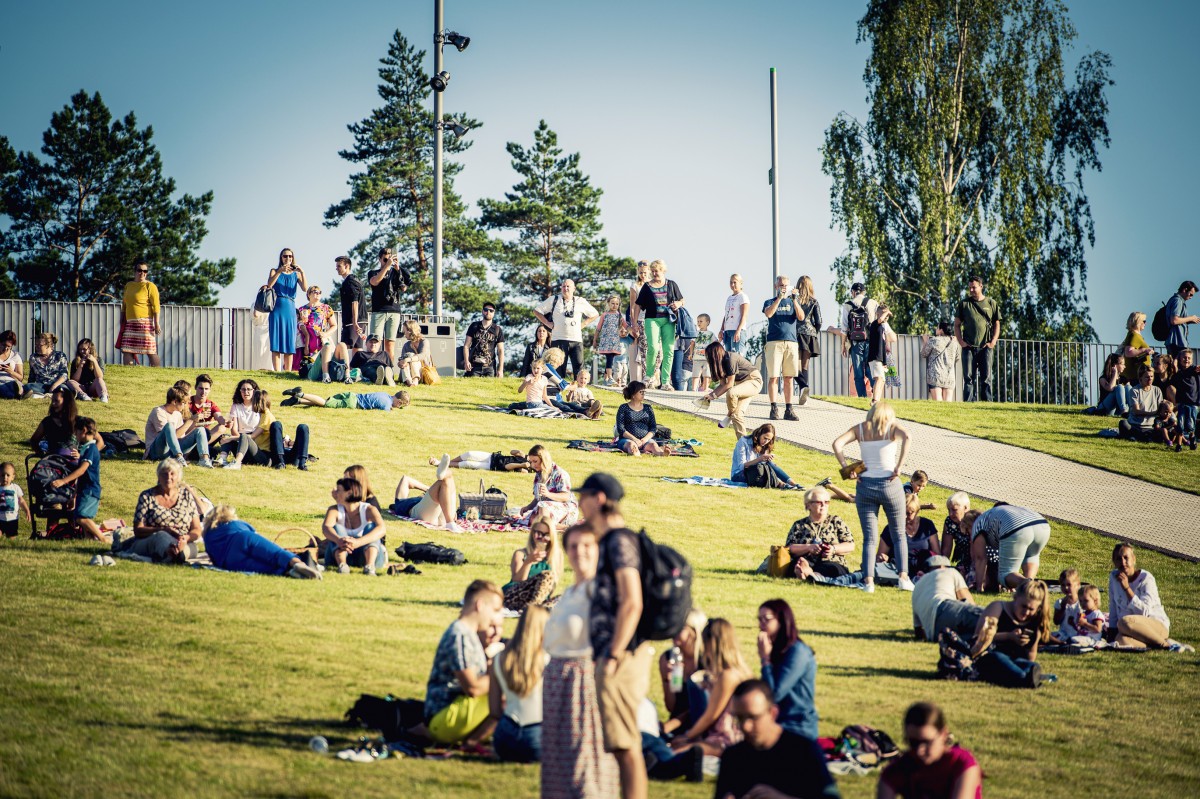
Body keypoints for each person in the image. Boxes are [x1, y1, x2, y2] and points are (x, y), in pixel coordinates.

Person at [581, 473, 651, 799]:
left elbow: (632, 602)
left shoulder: (619, 541)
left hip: (621, 657)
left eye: (583, 498)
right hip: (615, 654)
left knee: (625, 747)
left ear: (598, 499)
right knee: (621, 745)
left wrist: (612, 655)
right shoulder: (611, 540)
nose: (579, 505)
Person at [541, 521, 620, 797]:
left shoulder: (600, 590)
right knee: (557, 758)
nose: (580, 552)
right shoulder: (570, 592)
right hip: (556, 682)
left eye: (587, 545)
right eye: (573, 546)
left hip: (582, 681)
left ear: (599, 549)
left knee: (582, 756)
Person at [832, 401, 913, 593]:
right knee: (898, 534)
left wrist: (846, 467)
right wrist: (899, 466)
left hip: (865, 485)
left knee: (870, 538)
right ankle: (903, 578)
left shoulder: (861, 429)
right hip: (890, 484)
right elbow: (908, 436)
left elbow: (837, 444)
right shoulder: (892, 428)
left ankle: (868, 582)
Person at [714, 680, 840, 799]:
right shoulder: (733, 757)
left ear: (773, 713)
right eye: (739, 718)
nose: (746, 726)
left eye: (753, 717)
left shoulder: (804, 752)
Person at [421, 579, 505, 745]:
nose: (496, 616)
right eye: (495, 610)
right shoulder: (459, 635)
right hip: (444, 717)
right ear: (480, 605)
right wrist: (502, 673)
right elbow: (473, 688)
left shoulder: (469, 634)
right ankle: (472, 743)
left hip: (455, 712)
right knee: (512, 692)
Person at [669, 619, 751, 758]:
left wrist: (687, 736)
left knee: (673, 754)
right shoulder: (737, 672)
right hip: (723, 736)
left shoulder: (728, 676)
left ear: (711, 644)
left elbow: (710, 716)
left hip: (726, 740)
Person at [877, 702, 983, 799]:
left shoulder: (960, 763)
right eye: (913, 743)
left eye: (926, 742)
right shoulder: (899, 768)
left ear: (943, 734)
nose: (919, 750)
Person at [490, 604, 551, 763]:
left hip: (504, 736)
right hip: (536, 735)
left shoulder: (499, 658)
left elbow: (494, 711)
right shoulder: (549, 661)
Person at [116, 458, 203, 563]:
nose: (168, 477)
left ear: (178, 477)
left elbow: (197, 529)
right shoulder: (147, 496)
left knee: (192, 548)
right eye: (164, 474)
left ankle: (175, 553)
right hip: (151, 538)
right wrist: (163, 530)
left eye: (172, 474)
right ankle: (170, 554)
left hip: (182, 541)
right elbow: (138, 530)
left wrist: (186, 538)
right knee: (161, 537)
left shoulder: (186, 496)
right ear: (158, 476)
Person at [968, 579, 1053, 688]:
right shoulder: (998, 607)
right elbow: (978, 637)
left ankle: (1025, 677)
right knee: (999, 658)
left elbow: (1031, 655)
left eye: (1031, 609)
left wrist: (1028, 642)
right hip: (989, 655)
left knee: (1032, 666)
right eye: (1023, 606)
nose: (1026, 612)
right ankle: (1025, 679)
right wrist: (1008, 636)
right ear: (1015, 597)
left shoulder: (1034, 621)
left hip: (1014, 660)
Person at [199, 505, 321, 578]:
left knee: (262, 568)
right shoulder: (235, 524)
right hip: (243, 538)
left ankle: (287, 572)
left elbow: (214, 559)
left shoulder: (208, 536)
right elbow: (255, 535)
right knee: (275, 554)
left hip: (230, 559)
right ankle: (298, 564)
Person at [1108, 542, 1189, 651]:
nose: (1123, 562)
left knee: (1124, 622)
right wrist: (1111, 633)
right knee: (1119, 640)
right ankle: (1158, 643)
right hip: (1130, 628)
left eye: (1126, 558)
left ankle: (1165, 645)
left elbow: (1144, 612)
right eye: (1118, 559)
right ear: (1114, 562)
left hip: (1155, 624)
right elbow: (1113, 607)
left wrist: (1127, 588)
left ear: (1133, 559)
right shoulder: (1114, 577)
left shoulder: (1146, 578)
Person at [756, 600, 818, 740]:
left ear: (782, 621)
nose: (761, 624)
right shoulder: (776, 649)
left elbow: (774, 694)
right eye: (759, 619)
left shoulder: (797, 652)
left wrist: (765, 660)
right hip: (777, 724)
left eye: (766, 619)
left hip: (798, 728)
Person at [964, 503, 1051, 590]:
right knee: (1030, 557)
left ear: (969, 527)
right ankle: (1028, 589)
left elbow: (980, 558)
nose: (969, 536)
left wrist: (979, 587)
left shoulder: (978, 524)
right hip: (1042, 525)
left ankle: (1030, 585)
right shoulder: (991, 516)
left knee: (1005, 573)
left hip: (1016, 526)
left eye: (967, 532)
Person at [784, 487, 858, 586]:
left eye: (826, 502)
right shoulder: (799, 524)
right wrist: (808, 548)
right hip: (807, 560)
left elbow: (850, 545)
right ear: (808, 505)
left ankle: (809, 574)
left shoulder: (836, 521)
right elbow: (789, 548)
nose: (823, 505)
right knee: (796, 563)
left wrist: (833, 549)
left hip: (831, 561)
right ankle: (809, 572)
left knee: (832, 568)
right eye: (819, 502)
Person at [48, 416, 106, 542]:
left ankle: (103, 539)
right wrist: (74, 494)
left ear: (83, 430)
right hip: (84, 490)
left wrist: (63, 481)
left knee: (81, 518)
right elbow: (82, 476)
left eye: (77, 431)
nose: (75, 435)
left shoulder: (91, 449)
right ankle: (89, 542)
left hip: (90, 490)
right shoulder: (86, 448)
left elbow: (82, 470)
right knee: (83, 523)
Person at [633, 260, 685, 391]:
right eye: (653, 271)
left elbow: (682, 300)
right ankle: (648, 376)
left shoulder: (671, 284)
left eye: (657, 271)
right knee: (653, 348)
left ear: (663, 271)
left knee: (669, 350)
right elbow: (638, 305)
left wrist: (678, 304)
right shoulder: (647, 286)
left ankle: (665, 382)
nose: (654, 273)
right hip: (652, 320)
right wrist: (634, 323)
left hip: (669, 320)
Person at [320, 477, 387, 575]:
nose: (335, 493)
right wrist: (339, 540)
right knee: (337, 528)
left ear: (349, 493)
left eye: (338, 490)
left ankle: (370, 566)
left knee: (371, 527)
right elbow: (326, 528)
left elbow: (382, 529)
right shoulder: (334, 510)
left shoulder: (369, 509)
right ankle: (342, 565)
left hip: (364, 555)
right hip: (338, 556)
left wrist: (358, 542)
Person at [535, 279, 600, 379]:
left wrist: (584, 324)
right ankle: (557, 388)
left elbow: (595, 314)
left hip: (576, 340)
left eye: (568, 286)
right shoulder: (554, 299)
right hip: (558, 339)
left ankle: (579, 388)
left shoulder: (580, 301)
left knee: (579, 369)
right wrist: (547, 323)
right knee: (557, 369)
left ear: (574, 288)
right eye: (564, 286)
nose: (566, 288)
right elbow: (537, 311)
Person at [954, 275, 1002, 402]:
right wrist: (961, 342)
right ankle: (968, 404)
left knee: (986, 378)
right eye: (969, 288)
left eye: (974, 287)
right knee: (968, 378)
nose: (971, 290)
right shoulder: (964, 304)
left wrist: (993, 342)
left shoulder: (991, 303)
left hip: (985, 347)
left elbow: (997, 324)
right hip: (968, 347)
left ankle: (987, 404)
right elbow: (956, 325)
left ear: (981, 286)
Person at [658, 608, 708, 731]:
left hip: (704, 725)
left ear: (694, 632)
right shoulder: (668, 658)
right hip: (678, 728)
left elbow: (705, 707)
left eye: (679, 627)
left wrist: (669, 726)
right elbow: (672, 707)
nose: (672, 631)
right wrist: (667, 679)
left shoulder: (707, 660)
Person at [702, 341, 764, 438]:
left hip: (753, 380)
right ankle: (743, 442)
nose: (707, 359)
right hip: (741, 385)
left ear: (714, 355)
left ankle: (728, 415)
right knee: (737, 415)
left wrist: (713, 396)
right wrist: (710, 395)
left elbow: (729, 384)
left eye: (708, 356)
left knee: (731, 393)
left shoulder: (730, 358)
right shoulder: (720, 364)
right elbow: (722, 385)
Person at [503, 513, 563, 611]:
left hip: (538, 599)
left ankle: (534, 608)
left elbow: (551, 588)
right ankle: (532, 610)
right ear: (532, 534)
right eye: (539, 534)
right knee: (547, 576)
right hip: (514, 596)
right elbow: (517, 582)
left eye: (547, 535)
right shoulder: (521, 554)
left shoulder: (556, 555)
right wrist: (528, 562)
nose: (542, 538)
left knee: (565, 598)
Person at [911, 555, 979, 642]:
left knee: (973, 636)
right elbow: (969, 602)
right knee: (988, 617)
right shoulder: (950, 572)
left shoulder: (917, 587)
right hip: (945, 607)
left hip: (934, 634)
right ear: (942, 566)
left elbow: (918, 631)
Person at [389, 455, 464, 532]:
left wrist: (429, 490)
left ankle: (443, 474)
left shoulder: (401, 503)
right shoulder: (399, 502)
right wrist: (428, 489)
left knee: (447, 479)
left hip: (439, 514)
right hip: (428, 515)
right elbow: (406, 479)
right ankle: (450, 522)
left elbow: (406, 480)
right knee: (444, 481)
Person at [762, 275, 801, 420]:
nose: (783, 288)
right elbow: (769, 313)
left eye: (786, 285)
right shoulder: (769, 302)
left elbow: (801, 317)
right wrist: (779, 298)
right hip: (774, 342)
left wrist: (795, 300)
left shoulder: (793, 302)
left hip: (791, 342)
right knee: (774, 377)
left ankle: (789, 409)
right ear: (776, 286)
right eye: (781, 285)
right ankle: (773, 408)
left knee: (789, 377)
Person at [144, 387, 212, 468]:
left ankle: (204, 459)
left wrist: (194, 422)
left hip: (171, 451)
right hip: (156, 452)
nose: (185, 405)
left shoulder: (177, 414)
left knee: (200, 429)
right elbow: (168, 437)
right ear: (175, 402)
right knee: (169, 426)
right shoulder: (158, 411)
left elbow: (180, 436)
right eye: (183, 403)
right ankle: (179, 457)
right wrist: (190, 420)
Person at [265, 247, 306, 372]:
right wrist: (279, 271)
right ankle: (277, 371)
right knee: (276, 341)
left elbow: (305, 288)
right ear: (281, 258)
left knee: (289, 341)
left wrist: (302, 272)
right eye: (285, 256)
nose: (288, 258)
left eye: (290, 256)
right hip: (277, 307)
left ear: (293, 258)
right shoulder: (274, 271)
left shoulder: (296, 274)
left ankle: (287, 371)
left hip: (290, 308)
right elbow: (269, 285)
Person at [518, 444, 579, 527]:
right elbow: (538, 498)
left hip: (567, 509)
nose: (532, 465)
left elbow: (566, 497)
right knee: (531, 519)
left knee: (543, 508)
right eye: (531, 462)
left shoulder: (560, 473)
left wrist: (548, 494)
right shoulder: (539, 474)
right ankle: (553, 526)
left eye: (535, 461)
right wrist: (528, 507)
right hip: (547, 508)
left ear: (543, 459)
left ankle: (561, 527)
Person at [881, 493, 941, 576]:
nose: (905, 517)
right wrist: (883, 558)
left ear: (917, 511)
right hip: (897, 569)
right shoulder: (891, 528)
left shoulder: (927, 526)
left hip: (922, 570)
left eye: (909, 513)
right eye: (903, 513)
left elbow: (937, 554)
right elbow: (881, 554)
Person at [367, 247, 410, 361]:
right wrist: (387, 266)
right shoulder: (373, 272)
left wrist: (398, 269)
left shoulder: (396, 273)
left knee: (390, 343)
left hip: (394, 310)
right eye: (385, 260)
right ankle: (374, 367)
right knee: (375, 342)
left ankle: (389, 368)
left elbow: (404, 288)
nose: (388, 262)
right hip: (379, 311)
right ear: (379, 259)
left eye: (389, 260)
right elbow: (375, 282)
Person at [117, 261, 162, 367]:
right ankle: (129, 371)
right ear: (135, 271)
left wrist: (156, 323)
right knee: (127, 349)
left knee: (150, 350)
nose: (142, 273)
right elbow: (124, 305)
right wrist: (122, 319)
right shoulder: (129, 285)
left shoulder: (150, 286)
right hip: (130, 323)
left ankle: (157, 371)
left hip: (145, 322)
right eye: (140, 270)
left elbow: (156, 306)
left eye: (145, 271)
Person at [839, 281, 879, 399]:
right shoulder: (873, 303)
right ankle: (876, 395)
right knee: (870, 370)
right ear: (864, 292)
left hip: (855, 343)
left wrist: (843, 345)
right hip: (870, 341)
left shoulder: (847, 305)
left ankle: (862, 398)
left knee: (858, 372)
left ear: (852, 292)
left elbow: (844, 328)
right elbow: (878, 323)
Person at [732, 423, 802, 489]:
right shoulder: (743, 441)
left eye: (769, 440)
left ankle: (792, 483)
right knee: (763, 467)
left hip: (757, 472)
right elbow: (742, 466)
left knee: (769, 463)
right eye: (765, 438)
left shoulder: (766, 445)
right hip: (739, 475)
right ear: (759, 434)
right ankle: (782, 484)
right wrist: (760, 459)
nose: (766, 441)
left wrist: (767, 459)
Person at [216, 380, 263, 470]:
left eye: (249, 389)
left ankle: (237, 463)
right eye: (243, 390)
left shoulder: (259, 406)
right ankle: (223, 458)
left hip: (254, 442)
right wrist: (236, 438)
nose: (246, 392)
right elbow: (234, 429)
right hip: (239, 438)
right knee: (225, 437)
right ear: (240, 391)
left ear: (254, 391)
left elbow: (257, 434)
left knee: (240, 437)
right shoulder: (236, 406)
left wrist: (235, 438)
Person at [615, 381, 671, 457]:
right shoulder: (623, 408)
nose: (643, 394)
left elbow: (653, 428)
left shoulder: (648, 408)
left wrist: (645, 439)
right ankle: (635, 453)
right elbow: (621, 429)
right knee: (631, 445)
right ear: (633, 394)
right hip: (627, 439)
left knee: (653, 446)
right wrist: (634, 439)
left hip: (646, 439)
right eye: (641, 392)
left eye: (644, 392)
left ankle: (662, 453)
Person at [793, 275, 822, 406]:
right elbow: (819, 321)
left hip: (796, 333)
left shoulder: (794, 300)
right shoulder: (814, 301)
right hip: (810, 335)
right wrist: (814, 331)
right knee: (805, 366)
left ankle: (803, 386)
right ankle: (803, 393)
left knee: (794, 366)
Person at [279, 385, 409, 411]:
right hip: (353, 403)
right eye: (400, 405)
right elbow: (385, 411)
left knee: (326, 402)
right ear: (398, 401)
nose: (398, 407)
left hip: (352, 395)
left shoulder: (385, 394)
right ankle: (300, 394)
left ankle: (297, 401)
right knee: (325, 403)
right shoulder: (387, 404)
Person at [1117, 365, 1162, 442]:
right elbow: (1136, 411)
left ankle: (1138, 437)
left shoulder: (1157, 390)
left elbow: (1161, 408)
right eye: (1147, 377)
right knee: (1123, 423)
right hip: (1135, 425)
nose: (1150, 379)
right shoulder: (1134, 390)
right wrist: (1153, 413)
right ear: (1140, 378)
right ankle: (1140, 436)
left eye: (1151, 376)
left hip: (1151, 426)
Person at [334, 255, 368, 356]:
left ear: (347, 266)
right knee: (357, 348)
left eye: (339, 266)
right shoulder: (351, 280)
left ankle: (345, 366)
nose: (336, 268)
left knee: (343, 347)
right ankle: (357, 366)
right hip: (359, 320)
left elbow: (355, 302)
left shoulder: (350, 281)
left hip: (353, 322)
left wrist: (354, 322)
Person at [30, 388, 79, 455]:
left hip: (71, 460)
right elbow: (34, 441)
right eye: (52, 400)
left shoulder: (78, 421)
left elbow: (92, 442)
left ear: (66, 402)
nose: (53, 403)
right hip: (53, 459)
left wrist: (80, 455)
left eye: (56, 401)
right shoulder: (47, 422)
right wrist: (41, 454)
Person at [1167, 347, 1199, 450]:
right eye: (1184, 358)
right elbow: (1174, 365)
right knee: (1180, 424)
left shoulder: (1194, 370)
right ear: (1180, 359)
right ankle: (1179, 444)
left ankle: (1192, 438)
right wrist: (1176, 358)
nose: (1186, 360)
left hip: (1193, 402)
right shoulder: (1179, 373)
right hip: (1181, 402)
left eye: (1189, 358)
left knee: (1190, 424)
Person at [296, 285, 335, 368]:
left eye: (319, 292)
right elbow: (298, 324)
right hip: (305, 340)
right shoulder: (301, 309)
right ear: (308, 294)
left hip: (320, 340)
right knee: (305, 365)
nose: (318, 293)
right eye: (315, 291)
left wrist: (326, 334)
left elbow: (334, 325)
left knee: (320, 362)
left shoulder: (326, 308)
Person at [463, 302, 505, 377]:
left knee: (490, 385)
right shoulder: (474, 326)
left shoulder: (497, 329)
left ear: (494, 313)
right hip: (474, 366)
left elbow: (500, 350)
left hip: (490, 367)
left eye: (491, 310)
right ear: (482, 311)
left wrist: (500, 369)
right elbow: (466, 346)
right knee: (473, 384)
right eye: (486, 310)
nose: (488, 312)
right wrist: (466, 361)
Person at [921, 321, 960, 402]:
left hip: (935, 375)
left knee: (938, 403)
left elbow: (924, 354)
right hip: (949, 376)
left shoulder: (934, 340)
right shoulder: (954, 342)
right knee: (948, 403)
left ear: (941, 330)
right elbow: (957, 358)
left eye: (937, 328)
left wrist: (925, 341)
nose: (936, 329)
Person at [22, 332, 69, 399]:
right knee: (27, 387)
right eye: (36, 345)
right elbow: (32, 376)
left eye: (40, 345)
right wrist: (28, 387)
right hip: (41, 386)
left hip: (57, 384)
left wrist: (54, 386)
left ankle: (42, 395)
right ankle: (46, 395)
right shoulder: (33, 358)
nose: (37, 347)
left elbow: (64, 375)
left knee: (64, 389)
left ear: (49, 345)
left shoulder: (60, 355)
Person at [939, 492, 975, 578]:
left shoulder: (975, 521)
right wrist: (942, 568)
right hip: (962, 561)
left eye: (954, 510)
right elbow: (946, 549)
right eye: (949, 510)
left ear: (966, 508)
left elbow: (978, 553)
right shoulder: (950, 522)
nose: (950, 514)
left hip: (977, 559)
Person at [866, 304, 896, 404]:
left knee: (882, 380)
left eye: (887, 315)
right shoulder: (874, 324)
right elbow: (880, 319)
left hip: (880, 358)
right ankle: (874, 400)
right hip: (874, 357)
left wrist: (884, 362)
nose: (886, 317)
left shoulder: (882, 327)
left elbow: (884, 344)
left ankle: (877, 401)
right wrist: (887, 312)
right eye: (884, 314)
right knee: (879, 378)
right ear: (877, 314)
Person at [1084, 352, 1130, 416]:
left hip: (1117, 409)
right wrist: (1114, 374)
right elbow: (1110, 388)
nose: (1124, 366)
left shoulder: (1124, 379)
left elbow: (1130, 391)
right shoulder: (1103, 378)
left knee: (1128, 387)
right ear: (1115, 365)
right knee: (1119, 387)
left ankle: (1132, 410)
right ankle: (1123, 410)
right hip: (1106, 409)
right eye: (1122, 364)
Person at [188, 374, 228, 447]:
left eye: (206, 389)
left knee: (222, 428)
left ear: (209, 390)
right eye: (201, 388)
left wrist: (226, 421)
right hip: (189, 434)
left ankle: (200, 446)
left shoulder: (210, 404)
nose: (203, 392)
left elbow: (219, 416)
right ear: (195, 387)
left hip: (205, 437)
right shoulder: (188, 402)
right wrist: (195, 418)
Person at [628, 261, 651, 385]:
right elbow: (632, 307)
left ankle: (654, 376)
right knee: (644, 350)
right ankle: (646, 378)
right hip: (641, 320)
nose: (643, 275)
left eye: (645, 272)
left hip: (654, 319)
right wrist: (634, 324)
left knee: (656, 350)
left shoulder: (653, 284)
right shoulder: (635, 286)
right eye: (641, 272)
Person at [595, 295, 625, 385]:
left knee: (610, 359)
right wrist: (595, 339)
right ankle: (610, 377)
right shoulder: (604, 315)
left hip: (615, 341)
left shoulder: (619, 316)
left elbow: (625, 325)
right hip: (606, 341)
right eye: (612, 303)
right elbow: (598, 328)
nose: (615, 306)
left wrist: (632, 329)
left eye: (617, 304)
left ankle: (605, 379)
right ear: (608, 303)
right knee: (609, 358)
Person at [1164, 280, 1198, 359]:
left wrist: (1189, 321)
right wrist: (1191, 318)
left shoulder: (1175, 300)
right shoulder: (1178, 301)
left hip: (1175, 341)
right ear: (1184, 290)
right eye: (1190, 294)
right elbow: (1174, 320)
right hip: (1177, 341)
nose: (1191, 297)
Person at [1119, 311, 1155, 384]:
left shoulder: (1134, 335)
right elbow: (1128, 352)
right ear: (1138, 321)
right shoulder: (1134, 335)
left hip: (1138, 373)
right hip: (1135, 375)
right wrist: (1144, 350)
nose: (1145, 323)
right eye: (1144, 321)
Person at [719, 273, 750, 355]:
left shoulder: (743, 297)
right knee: (728, 356)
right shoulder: (729, 298)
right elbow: (726, 315)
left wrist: (738, 330)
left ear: (740, 283)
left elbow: (744, 315)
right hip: (727, 331)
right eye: (731, 282)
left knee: (736, 356)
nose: (732, 285)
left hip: (737, 330)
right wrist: (722, 330)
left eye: (735, 282)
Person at [0, 461, 33, 538]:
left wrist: (27, 510)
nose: (5, 477)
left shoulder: (15, 488)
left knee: (11, 537)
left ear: (13, 477)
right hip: (0, 518)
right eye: (2, 475)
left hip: (12, 519)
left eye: (8, 475)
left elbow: (21, 500)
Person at [397, 320, 433, 386]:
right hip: (407, 372)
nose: (404, 334)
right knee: (406, 361)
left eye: (405, 332)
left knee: (413, 359)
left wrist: (408, 359)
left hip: (423, 371)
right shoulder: (406, 345)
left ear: (410, 331)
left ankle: (415, 380)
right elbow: (402, 359)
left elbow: (422, 356)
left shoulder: (424, 342)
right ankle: (409, 381)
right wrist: (400, 363)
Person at [434, 450, 533, 473]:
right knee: (469, 454)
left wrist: (521, 465)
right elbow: (512, 452)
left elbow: (507, 466)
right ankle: (444, 463)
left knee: (467, 464)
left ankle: (439, 463)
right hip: (493, 457)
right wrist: (521, 453)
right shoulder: (525, 457)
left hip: (492, 466)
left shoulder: (525, 470)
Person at [690, 314, 716, 392]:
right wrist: (691, 354)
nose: (699, 323)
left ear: (707, 322)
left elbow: (715, 343)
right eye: (698, 321)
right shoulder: (695, 333)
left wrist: (713, 354)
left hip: (707, 358)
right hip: (696, 357)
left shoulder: (710, 333)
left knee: (707, 374)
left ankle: (705, 389)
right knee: (695, 373)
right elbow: (692, 343)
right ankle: (694, 389)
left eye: (701, 321)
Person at [0, 330, 24, 399]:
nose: (5, 348)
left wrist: (11, 371)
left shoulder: (15, 356)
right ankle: (17, 395)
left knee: (16, 384)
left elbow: (20, 378)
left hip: (11, 380)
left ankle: (19, 393)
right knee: (2, 387)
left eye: (9, 346)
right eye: (3, 345)